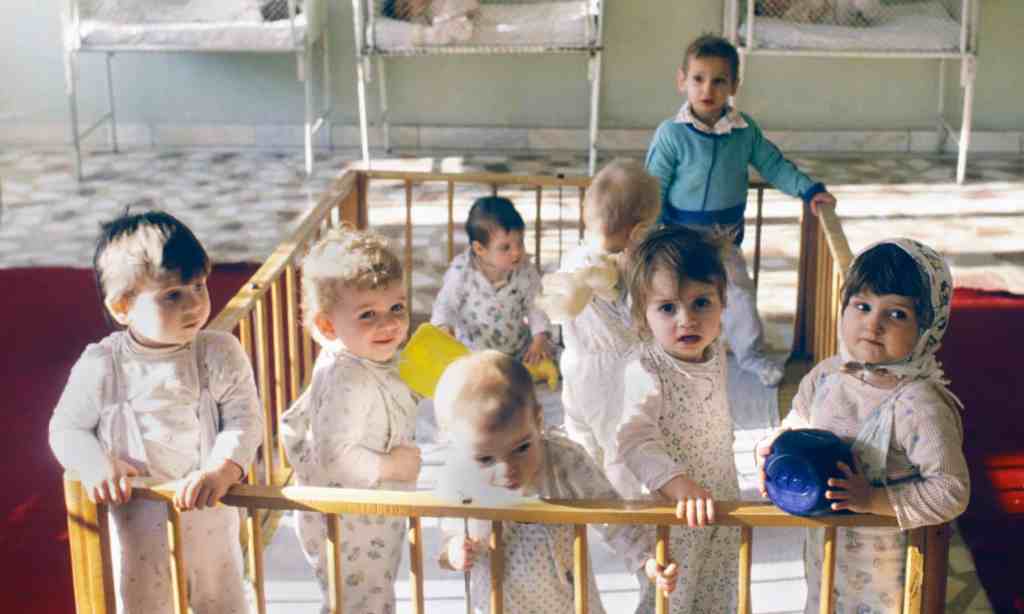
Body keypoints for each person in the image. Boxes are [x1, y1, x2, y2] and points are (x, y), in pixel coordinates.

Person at [49, 210, 263, 613]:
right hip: (138, 524)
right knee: (145, 602)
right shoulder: (103, 365)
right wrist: (94, 463)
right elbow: (65, 429)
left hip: (210, 513)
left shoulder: (218, 352)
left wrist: (223, 469)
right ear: (123, 307)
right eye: (172, 295)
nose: (194, 304)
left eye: (198, 285)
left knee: (222, 599)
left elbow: (244, 419)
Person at [756, 239, 970, 613]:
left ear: (928, 328)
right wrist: (775, 447)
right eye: (863, 306)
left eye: (897, 314)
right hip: (826, 550)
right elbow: (799, 422)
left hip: (885, 566)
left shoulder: (917, 405)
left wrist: (873, 500)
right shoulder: (827, 375)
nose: (873, 324)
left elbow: (951, 490)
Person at [645, 33, 838, 386]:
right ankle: (667, 350)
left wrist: (808, 190)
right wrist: (646, 237)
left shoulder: (744, 131)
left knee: (738, 294)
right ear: (682, 81)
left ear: (734, 85)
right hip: (677, 235)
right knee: (673, 293)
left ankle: (751, 356)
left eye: (719, 80)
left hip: (723, 238)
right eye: (698, 79)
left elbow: (774, 165)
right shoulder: (672, 134)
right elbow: (654, 187)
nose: (708, 89)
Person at [433, 350, 678, 614]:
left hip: (570, 601)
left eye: (522, 448)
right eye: (485, 459)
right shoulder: (460, 477)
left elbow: (613, 517)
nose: (507, 469)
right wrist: (455, 552)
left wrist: (645, 559)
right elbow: (447, 543)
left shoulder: (565, 462)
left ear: (538, 420)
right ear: (456, 447)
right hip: (498, 603)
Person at [280, 226, 422, 614]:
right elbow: (336, 457)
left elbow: (390, 394)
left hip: (367, 513)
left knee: (367, 597)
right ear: (328, 326)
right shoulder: (347, 378)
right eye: (368, 314)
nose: (389, 324)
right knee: (361, 603)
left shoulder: (367, 354)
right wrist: (392, 466)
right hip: (347, 520)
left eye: (397, 308)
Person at [616, 225, 741, 613]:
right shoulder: (645, 370)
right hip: (673, 509)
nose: (686, 319)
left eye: (701, 303)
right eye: (668, 308)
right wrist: (678, 484)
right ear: (644, 314)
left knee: (720, 591)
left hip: (720, 497)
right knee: (670, 598)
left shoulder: (715, 352)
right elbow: (634, 441)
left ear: (723, 303)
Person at [538, 158, 659, 499]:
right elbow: (637, 318)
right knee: (619, 445)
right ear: (638, 231)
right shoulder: (626, 269)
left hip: (575, 365)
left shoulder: (574, 256)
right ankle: (625, 512)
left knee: (583, 438)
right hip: (613, 373)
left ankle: (585, 500)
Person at [431, 195, 554, 364]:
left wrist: (540, 338)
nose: (517, 252)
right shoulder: (461, 273)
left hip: (517, 351)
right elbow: (445, 305)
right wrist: (444, 327)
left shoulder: (525, 271)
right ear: (479, 249)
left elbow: (536, 306)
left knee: (551, 362)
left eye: (520, 242)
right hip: (472, 354)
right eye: (505, 247)